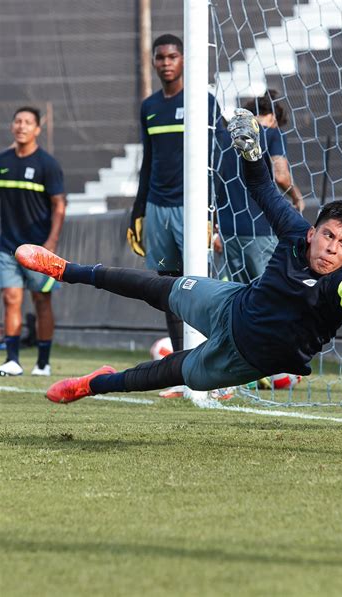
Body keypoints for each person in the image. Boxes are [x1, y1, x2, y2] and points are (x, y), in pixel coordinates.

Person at [15, 108, 342, 402]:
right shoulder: (295, 233)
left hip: (242, 357)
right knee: (158, 287)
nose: (331, 248)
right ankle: (68, 270)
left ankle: (91, 385)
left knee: (166, 372)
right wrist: (253, 154)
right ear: (313, 233)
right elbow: (263, 191)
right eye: (328, 235)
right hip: (231, 304)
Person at [126, 34, 222, 375]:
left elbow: (219, 160)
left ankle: (216, 363)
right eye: (160, 58)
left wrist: (216, 211)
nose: (166, 63)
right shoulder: (149, 107)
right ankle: (182, 368)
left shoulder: (204, 102)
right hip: (157, 208)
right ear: (154, 62)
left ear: (184, 60)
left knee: (201, 287)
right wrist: (138, 211)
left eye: (172, 56)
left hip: (193, 210)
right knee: (168, 287)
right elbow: (147, 161)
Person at [0, 106, 66, 376]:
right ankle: (13, 360)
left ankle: (43, 363)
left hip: (39, 248)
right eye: (18, 121)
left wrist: (51, 241)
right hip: (7, 247)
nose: (22, 126)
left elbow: (59, 205)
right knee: (11, 297)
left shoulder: (47, 165)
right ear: (12, 126)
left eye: (28, 122)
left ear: (37, 129)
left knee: (41, 300)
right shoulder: (2, 161)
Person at [215, 90, 304, 284]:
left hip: (228, 231)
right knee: (267, 294)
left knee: (236, 294)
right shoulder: (273, 133)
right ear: (273, 117)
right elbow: (281, 175)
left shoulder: (226, 138)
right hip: (260, 229)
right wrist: (296, 197)